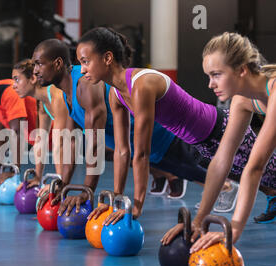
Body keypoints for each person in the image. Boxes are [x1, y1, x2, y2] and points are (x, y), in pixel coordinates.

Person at [75, 27, 275, 223]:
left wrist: (136, 207)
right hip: (200, 144)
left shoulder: (141, 85)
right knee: (251, 175)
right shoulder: (115, 94)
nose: (82, 70)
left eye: (85, 62)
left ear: (107, 58)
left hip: (219, 127)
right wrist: (117, 201)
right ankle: (273, 195)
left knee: (266, 169)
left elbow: (142, 153)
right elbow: (121, 150)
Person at [32, 39, 218, 218]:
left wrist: (87, 191)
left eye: (39, 64)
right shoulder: (67, 94)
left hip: (166, 141)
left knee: (223, 174)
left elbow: (94, 145)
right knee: (211, 178)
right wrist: (63, 184)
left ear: (57, 63)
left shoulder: (84, 84)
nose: (35, 71)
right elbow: (72, 143)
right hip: (149, 154)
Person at [165, 32, 276, 252]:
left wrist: (234, 228)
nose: (210, 84)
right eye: (208, 76)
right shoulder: (242, 100)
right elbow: (221, 161)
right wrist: (198, 221)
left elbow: (255, 167)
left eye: (216, 75)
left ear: (242, 70)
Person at [11, 59, 67, 191]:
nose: (13, 85)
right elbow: (41, 140)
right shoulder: (42, 102)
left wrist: (60, 182)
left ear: (32, 78)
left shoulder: (56, 95)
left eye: (17, 79)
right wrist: (38, 177)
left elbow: (60, 142)